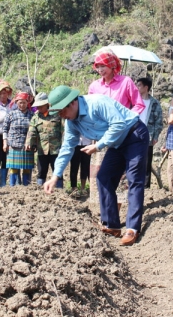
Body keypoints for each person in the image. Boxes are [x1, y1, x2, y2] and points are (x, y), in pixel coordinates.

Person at [44, 85, 149, 246]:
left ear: (72, 103)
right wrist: (55, 176)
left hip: (134, 134)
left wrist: (98, 146)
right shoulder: (72, 123)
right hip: (116, 143)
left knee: (134, 180)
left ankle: (132, 228)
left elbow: (119, 125)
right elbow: (67, 148)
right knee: (103, 177)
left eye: (62, 111)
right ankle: (111, 224)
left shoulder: (97, 103)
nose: (61, 116)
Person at [88, 48, 145, 207]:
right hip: (101, 136)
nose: (100, 70)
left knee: (118, 175)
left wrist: (127, 121)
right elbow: (91, 109)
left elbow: (138, 105)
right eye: (97, 67)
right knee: (100, 174)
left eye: (103, 66)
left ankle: (118, 209)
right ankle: (103, 210)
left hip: (121, 135)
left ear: (112, 66)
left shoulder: (126, 82)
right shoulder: (94, 87)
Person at [25, 92, 63, 187]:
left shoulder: (57, 115)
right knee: (42, 171)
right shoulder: (36, 117)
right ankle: (40, 190)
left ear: (47, 104)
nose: (39, 108)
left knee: (57, 170)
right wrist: (29, 142)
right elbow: (31, 131)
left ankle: (59, 190)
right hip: (42, 149)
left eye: (41, 106)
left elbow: (64, 130)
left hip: (56, 149)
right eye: (38, 106)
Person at [136, 77, 163, 188]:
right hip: (133, 134)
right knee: (133, 160)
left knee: (146, 162)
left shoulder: (154, 103)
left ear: (146, 88)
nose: (137, 87)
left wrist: (156, 136)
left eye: (139, 85)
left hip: (148, 135)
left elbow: (159, 121)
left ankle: (146, 186)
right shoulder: (134, 101)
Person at [3, 92, 34, 186]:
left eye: (24, 102)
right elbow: (5, 129)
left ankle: (26, 188)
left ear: (27, 103)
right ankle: (13, 188)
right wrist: (5, 143)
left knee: (27, 169)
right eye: (20, 102)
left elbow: (34, 131)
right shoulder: (11, 114)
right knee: (14, 168)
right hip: (13, 144)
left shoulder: (32, 115)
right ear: (16, 102)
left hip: (27, 145)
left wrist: (33, 143)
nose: (22, 105)